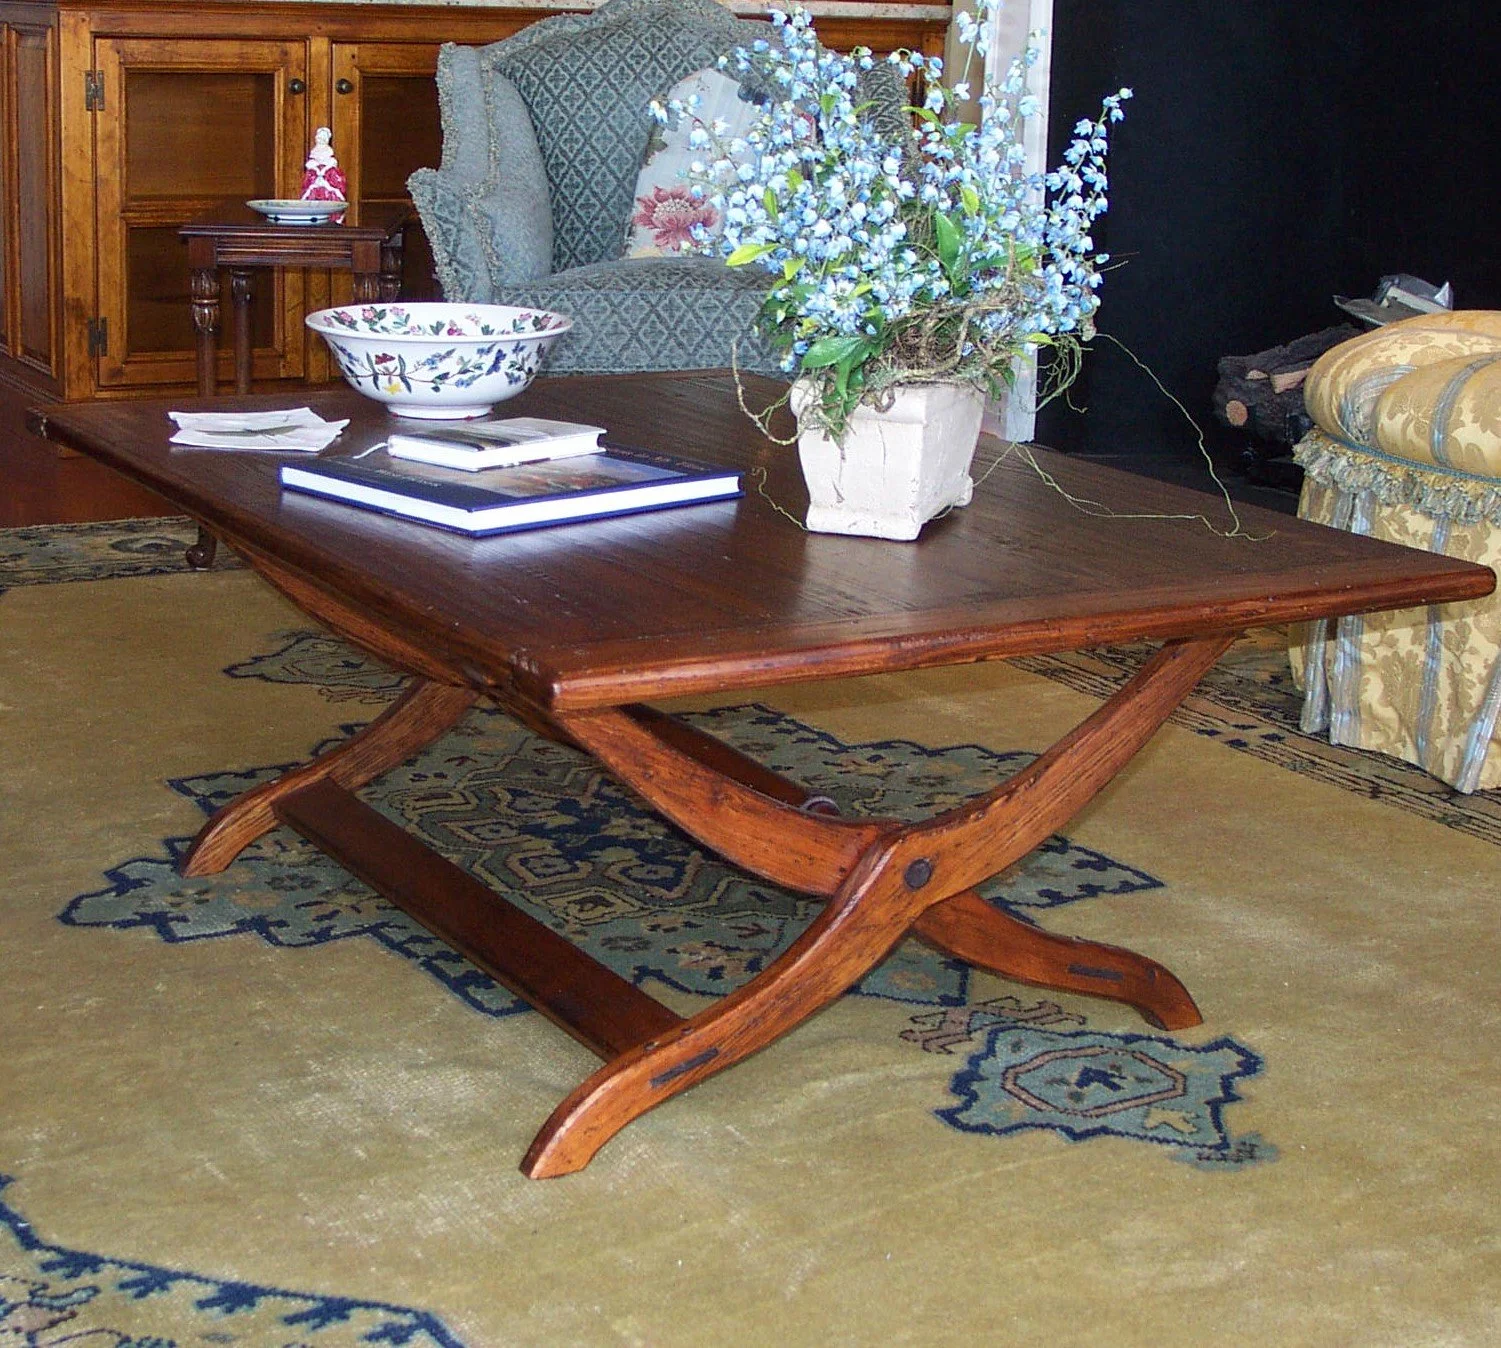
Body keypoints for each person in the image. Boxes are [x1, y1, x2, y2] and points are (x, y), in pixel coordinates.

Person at [300, 127, 347, 220]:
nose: (320, 139)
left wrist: (324, 173)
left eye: (323, 137)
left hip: (327, 180)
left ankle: (332, 218)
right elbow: (309, 164)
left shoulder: (329, 155)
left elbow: (332, 163)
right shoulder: (314, 152)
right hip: (315, 182)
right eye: (319, 137)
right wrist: (316, 171)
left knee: (330, 200)